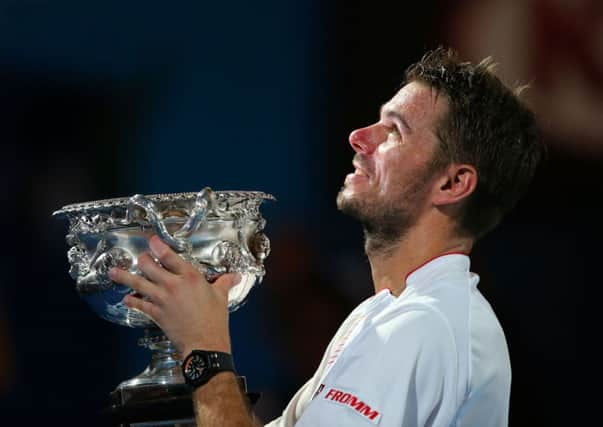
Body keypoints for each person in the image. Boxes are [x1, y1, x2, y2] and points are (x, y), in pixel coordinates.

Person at [109, 47, 545, 426]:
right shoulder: (379, 317)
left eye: (394, 131)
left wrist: (204, 350)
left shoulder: (425, 325)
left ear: (453, 184)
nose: (358, 137)